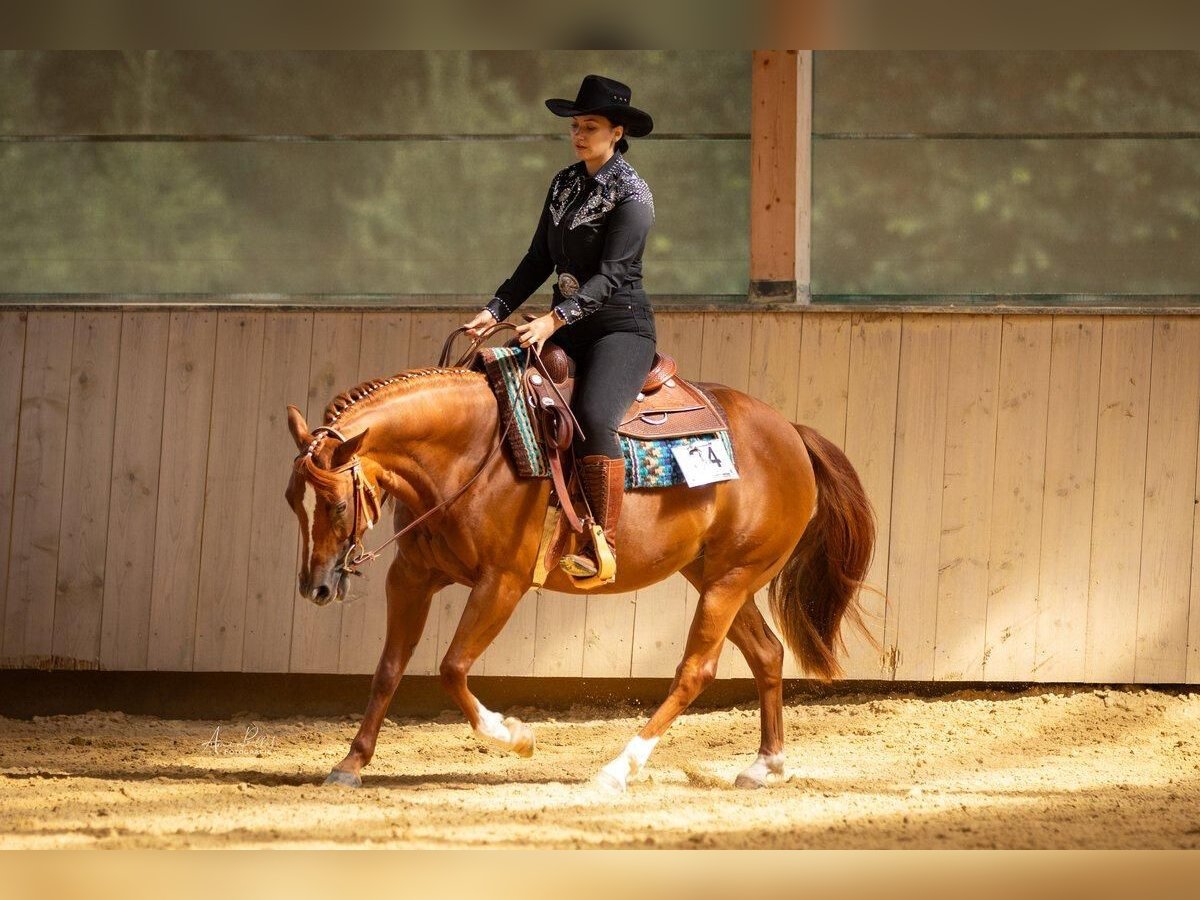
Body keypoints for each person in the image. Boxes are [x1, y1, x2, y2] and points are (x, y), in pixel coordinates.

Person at [463, 74, 657, 581]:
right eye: (575, 125)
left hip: (620, 329)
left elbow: (613, 276)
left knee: (594, 415)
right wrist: (497, 308)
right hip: (563, 325)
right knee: (501, 388)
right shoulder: (565, 182)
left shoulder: (633, 195)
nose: (578, 134)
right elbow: (537, 259)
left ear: (616, 132)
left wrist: (553, 319)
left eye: (589, 126)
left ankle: (601, 542)